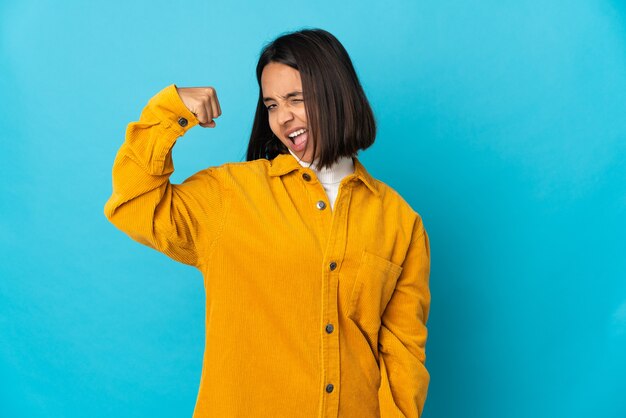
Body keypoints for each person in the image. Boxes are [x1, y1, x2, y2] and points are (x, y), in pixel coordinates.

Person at [104, 27, 431, 418]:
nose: (283, 117)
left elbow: (402, 355)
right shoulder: (230, 195)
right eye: (272, 105)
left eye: (296, 99)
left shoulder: (399, 220)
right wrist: (168, 113)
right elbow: (135, 203)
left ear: (336, 95)